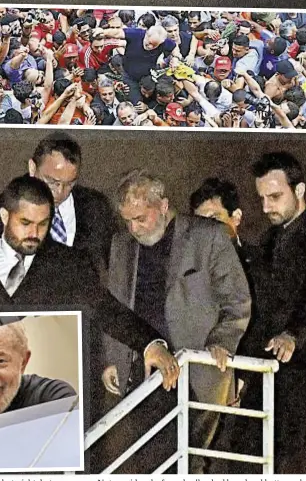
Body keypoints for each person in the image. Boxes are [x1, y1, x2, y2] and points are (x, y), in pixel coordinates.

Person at [0, 175, 180, 396]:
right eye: (25, 223)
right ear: (5, 216)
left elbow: (106, 309)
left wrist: (149, 343)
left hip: (42, 402)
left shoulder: (69, 265)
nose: (34, 234)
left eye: (43, 224)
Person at [101, 170, 251, 473]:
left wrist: (221, 342)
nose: (134, 228)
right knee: (147, 461)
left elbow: (237, 300)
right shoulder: (120, 244)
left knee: (191, 460)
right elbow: (113, 307)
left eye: (141, 218)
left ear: (164, 205)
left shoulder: (208, 236)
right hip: (142, 375)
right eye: (127, 221)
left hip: (197, 372)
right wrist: (112, 359)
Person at [232, 152, 306, 474]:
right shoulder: (267, 241)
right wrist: (242, 373)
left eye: (275, 197)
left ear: (299, 190)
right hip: (266, 374)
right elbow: (257, 311)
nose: (265, 208)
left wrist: (293, 334)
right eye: (261, 198)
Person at [0, 133, 116, 270]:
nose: (60, 192)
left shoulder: (97, 208)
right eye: (52, 182)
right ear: (32, 168)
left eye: (70, 184)